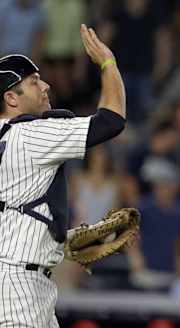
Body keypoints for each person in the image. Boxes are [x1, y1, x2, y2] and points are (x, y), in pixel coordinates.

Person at [0, 24, 126, 327]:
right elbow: (111, 120)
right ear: (11, 99)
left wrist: (62, 240)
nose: (45, 87)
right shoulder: (28, 134)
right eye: (34, 82)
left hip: (22, 280)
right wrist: (108, 63)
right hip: (18, 286)